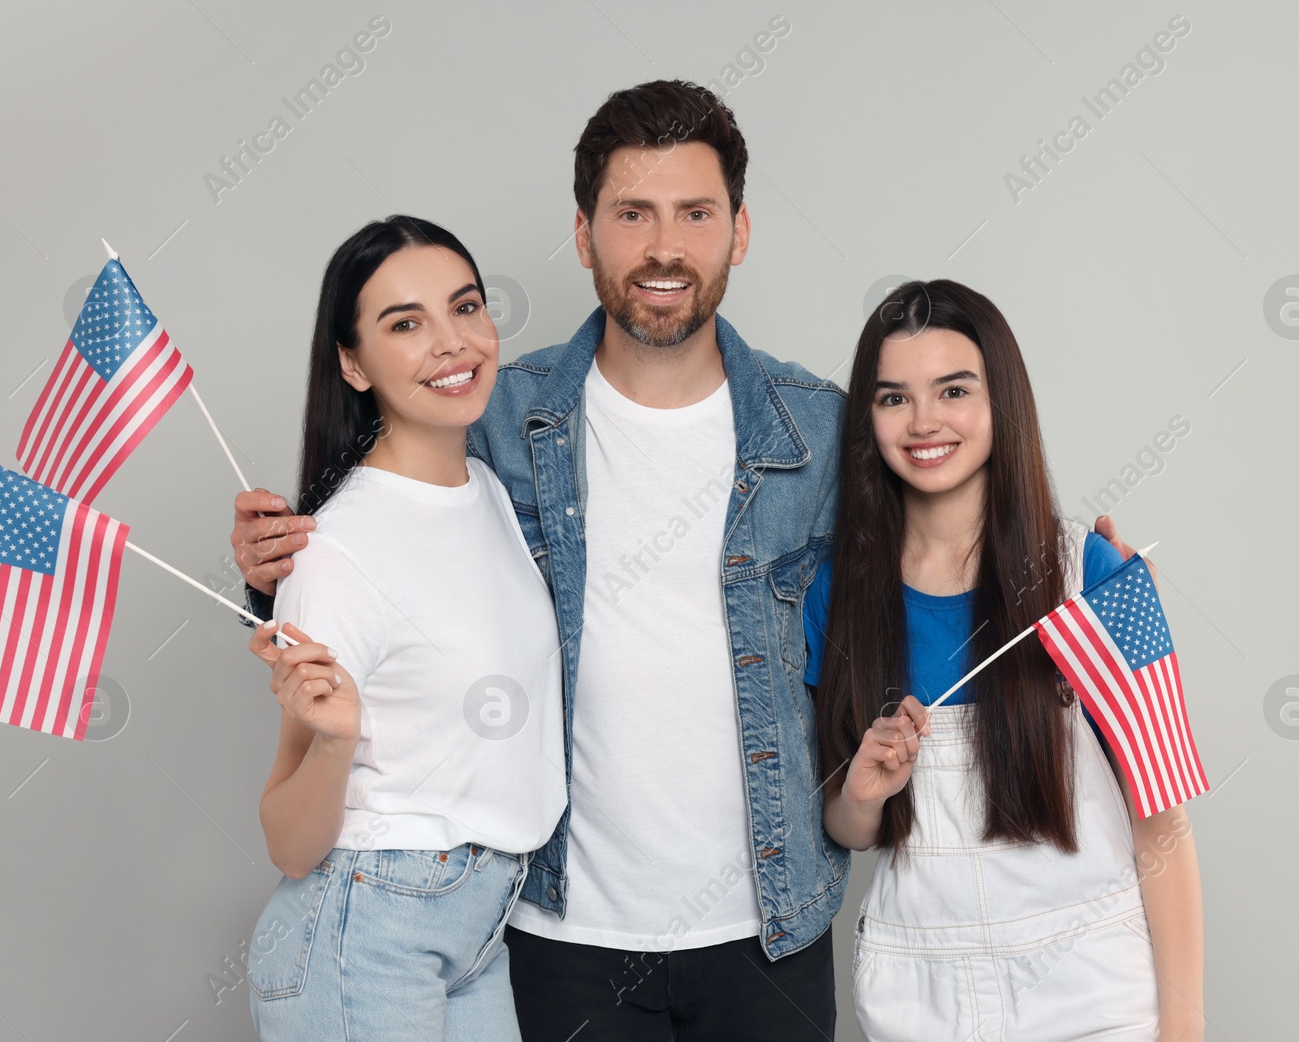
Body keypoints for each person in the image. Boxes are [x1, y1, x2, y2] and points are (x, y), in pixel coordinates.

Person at [230, 79, 1153, 1040]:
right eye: (633, 213)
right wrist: (268, 571)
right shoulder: (497, 411)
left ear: (738, 231)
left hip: (768, 928)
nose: (664, 246)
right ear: (585, 237)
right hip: (555, 932)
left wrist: (1077, 570)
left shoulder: (819, 426)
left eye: (695, 213)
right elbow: (387, 535)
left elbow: (942, 532)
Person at [809, 279, 1205, 1041]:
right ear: (867, 418)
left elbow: (1165, 824)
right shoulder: (837, 595)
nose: (925, 421)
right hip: (918, 999)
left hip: (1092, 993)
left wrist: (1182, 1031)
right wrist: (860, 793)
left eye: (952, 389)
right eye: (893, 397)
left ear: (1002, 399)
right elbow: (849, 827)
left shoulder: (1096, 575)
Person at [241, 215, 566, 1042]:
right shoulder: (335, 547)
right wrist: (337, 740)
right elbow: (288, 838)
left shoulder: (490, 492)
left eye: (466, 307)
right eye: (406, 324)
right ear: (352, 363)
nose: (452, 343)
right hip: (367, 927)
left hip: (478, 924)